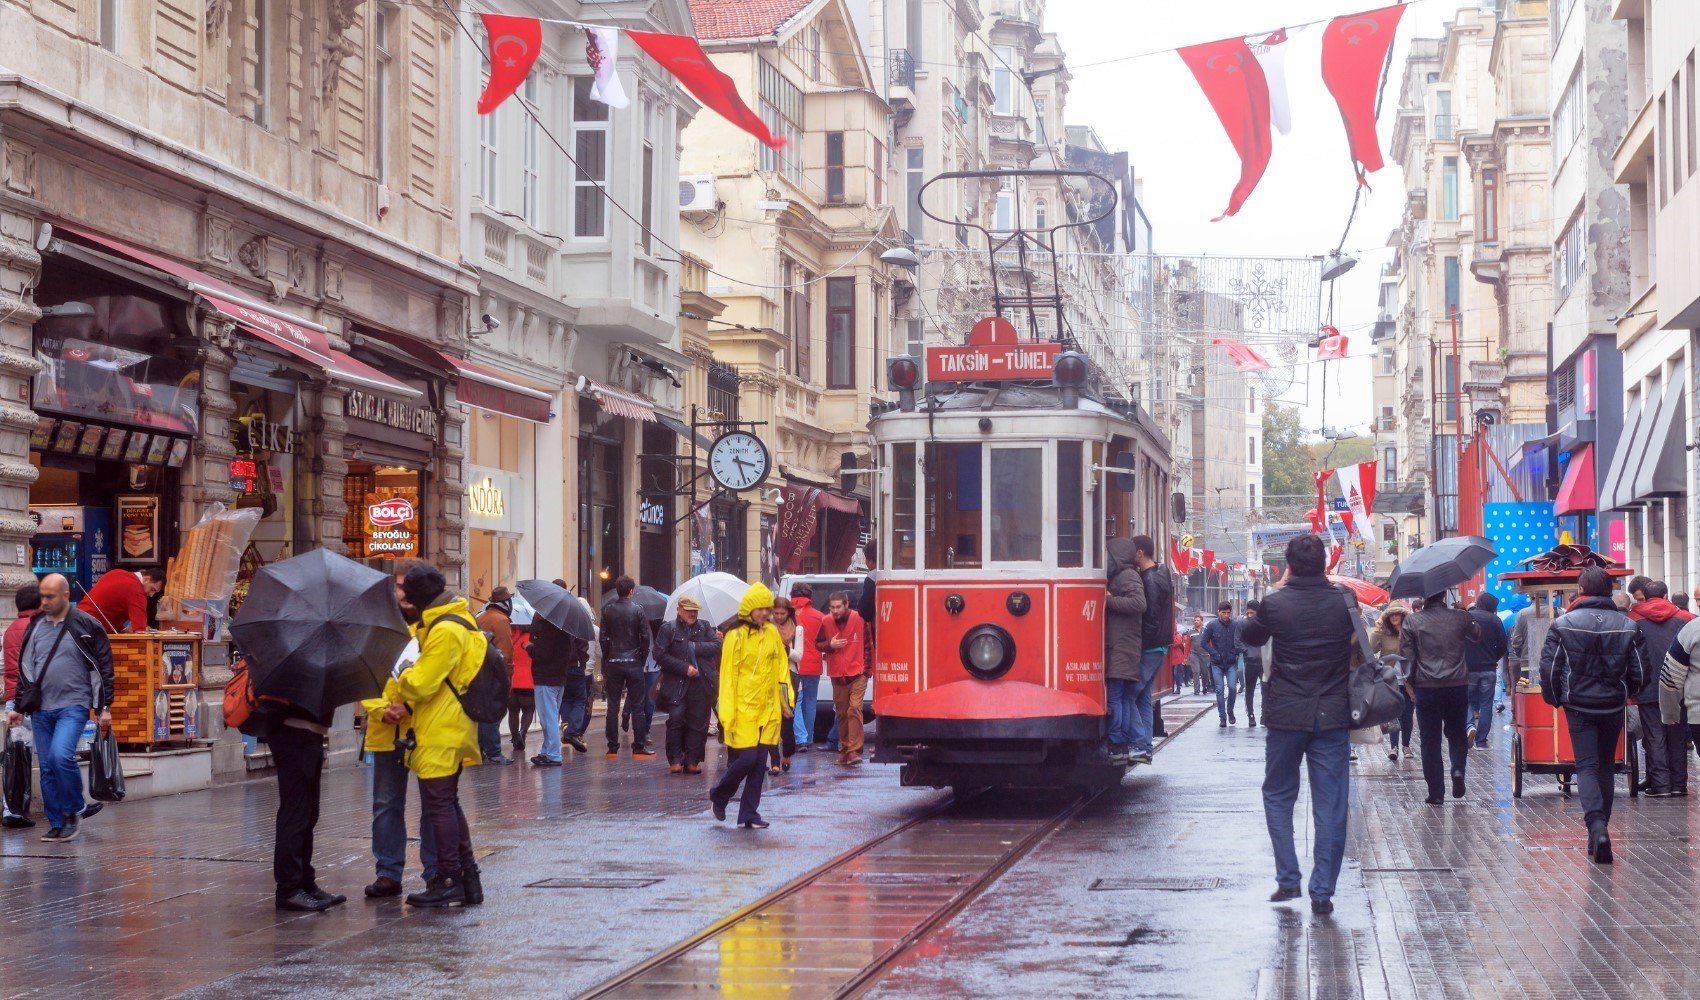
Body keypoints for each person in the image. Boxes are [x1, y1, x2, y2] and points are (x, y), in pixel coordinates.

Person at [1238, 535, 1356, 915]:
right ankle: (1322, 890)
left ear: (1288, 564)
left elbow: (1249, 635)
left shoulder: (1274, 603)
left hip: (1286, 715)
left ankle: (1289, 879)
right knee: (1331, 805)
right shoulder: (1344, 602)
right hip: (1332, 715)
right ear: (1324, 562)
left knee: (1278, 794)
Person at [386, 563, 486, 906]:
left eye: (406, 593)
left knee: (439, 805)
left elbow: (424, 682)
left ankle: (448, 879)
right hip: (450, 723)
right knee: (448, 803)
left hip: (441, 726)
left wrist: (405, 677)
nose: (402, 598)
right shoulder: (456, 620)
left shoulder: (444, 629)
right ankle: (467, 878)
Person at [1540, 568, 1648, 863]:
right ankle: (1600, 831)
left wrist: (1555, 698)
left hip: (1579, 705)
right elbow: (1641, 670)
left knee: (1586, 766)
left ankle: (1597, 827)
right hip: (1613, 704)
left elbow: (1550, 669)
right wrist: (1628, 691)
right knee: (1605, 767)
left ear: (1582, 589)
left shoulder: (1563, 624)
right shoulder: (1628, 626)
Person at [7, 574, 113, 843]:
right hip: (41, 708)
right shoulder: (35, 626)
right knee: (47, 767)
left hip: (73, 705)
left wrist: (104, 707)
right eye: (42, 595)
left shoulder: (87, 624)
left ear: (66, 595)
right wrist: (18, 707)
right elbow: (26, 670)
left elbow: (103, 668)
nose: (44, 601)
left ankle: (74, 808)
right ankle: (57, 823)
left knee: (60, 756)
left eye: (50, 596)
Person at [359, 562, 437, 899]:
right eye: (399, 586)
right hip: (385, 730)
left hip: (425, 728)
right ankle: (388, 871)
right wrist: (380, 709)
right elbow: (363, 674)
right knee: (386, 803)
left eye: (408, 586)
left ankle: (434, 871)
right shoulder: (378, 628)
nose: (403, 593)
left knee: (433, 804)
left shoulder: (434, 628)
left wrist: (410, 707)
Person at [710, 584, 791, 828]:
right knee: (746, 759)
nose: (764, 614)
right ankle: (720, 793)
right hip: (742, 708)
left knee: (759, 763)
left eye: (767, 609)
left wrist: (786, 703)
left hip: (767, 709)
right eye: (760, 609)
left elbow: (781, 669)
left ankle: (748, 813)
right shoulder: (735, 636)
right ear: (749, 608)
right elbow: (727, 677)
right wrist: (727, 713)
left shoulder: (772, 633)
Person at [1401, 590, 1482, 804]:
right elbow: (1477, 634)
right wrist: (1466, 614)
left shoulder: (1412, 621)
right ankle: (1457, 769)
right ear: (1445, 594)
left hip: (1427, 687)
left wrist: (1410, 682)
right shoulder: (1460, 617)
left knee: (1430, 740)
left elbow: (1407, 659)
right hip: (1457, 684)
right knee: (1456, 733)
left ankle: (1436, 792)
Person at [1627, 580, 1691, 796]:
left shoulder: (1633, 620)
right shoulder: (1685, 619)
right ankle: (1679, 785)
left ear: (1644, 595)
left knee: (1654, 735)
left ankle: (1661, 785)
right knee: (1677, 735)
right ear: (1665, 596)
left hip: (1647, 687)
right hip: (1678, 686)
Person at [656, 596, 723, 775]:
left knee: (698, 722)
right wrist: (684, 668)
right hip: (677, 683)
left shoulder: (705, 626)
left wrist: (694, 647)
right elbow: (660, 655)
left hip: (701, 683)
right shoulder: (668, 629)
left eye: (695, 611)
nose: (692, 614)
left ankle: (693, 760)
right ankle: (676, 759)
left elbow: (717, 645)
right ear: (679, 610)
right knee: (676, 719)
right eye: (688, 610)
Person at [1129, 536, 1173, 766]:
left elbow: (1151, 618)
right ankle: (1144, 746)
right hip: (1159, 645)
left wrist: (1139, 644)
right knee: (1143, 697)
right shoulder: (1162, 573)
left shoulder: (1150, 581)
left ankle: (1139, 745)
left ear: (1139, 552)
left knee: (1129, 695)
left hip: (1150, 646)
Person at [600, 575, 653, 759]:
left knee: (612, 705)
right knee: (638, 705)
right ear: (631, 591)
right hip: (633, 662)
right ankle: (638, 745)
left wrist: (608, 658)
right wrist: (641, 658)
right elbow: (645, 638)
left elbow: (604, 638)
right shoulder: (638, 610)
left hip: (614, 661)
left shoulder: (608, 610)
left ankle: (612, 746)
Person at [1104, 537, 1147, 763]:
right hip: (1121, 647)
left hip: (1123, 648)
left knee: (1116, 698)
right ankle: (1120, 745)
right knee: (1119, 698)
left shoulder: (1128, 576)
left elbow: (1139, 604)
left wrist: (1109, 600)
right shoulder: (1123, 575)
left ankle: (1117, 744)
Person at [2, 582, 41, 828]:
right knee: (36, 755)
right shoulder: (36, 629)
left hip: (12, 698)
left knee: (15, 757)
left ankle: (11, 809)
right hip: (30, 701)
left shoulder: (10, 629)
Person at [817, 591, 870, 766]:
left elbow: (869, 644)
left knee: (854, 709)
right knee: (841, 714)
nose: (835, 611)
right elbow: (818, 644)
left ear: (846, 604)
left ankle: (853, 750)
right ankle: (845, 750)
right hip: (837, 675)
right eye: (832, 607)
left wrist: (867, 671)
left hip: (857, 673)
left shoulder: (860, 619)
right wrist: (830, 645)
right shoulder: (825, 621)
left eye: (838, 607)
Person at [473, 588, 516, 765]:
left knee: (482, 713)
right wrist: (508, 675)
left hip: (478, 671)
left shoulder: (480, 617)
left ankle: (481, 751)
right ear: (505, 604)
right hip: (494, 673)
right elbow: (506, 652)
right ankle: (494, 752)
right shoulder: (501, 620)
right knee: (493, 713)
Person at [1464, 593, 1508, 749]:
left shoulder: (1467, 617)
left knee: (1467, 701)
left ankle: (1470, 726)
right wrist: (1493, 657)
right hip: (1488, 668)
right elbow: (1503, 644)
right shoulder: (1495, 620)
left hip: (1468, 668)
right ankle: (1481, 740)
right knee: (1486, 704)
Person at [1371, 603, 1414, 761]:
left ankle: (1406, 746)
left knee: (1408, 715)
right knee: (1394, 715)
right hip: (1389, 680)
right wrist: (1377, 629)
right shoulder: (1383, 633)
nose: (1394, 616)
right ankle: (1394, 748)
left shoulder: (1410, 632)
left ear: (1403, 615)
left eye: (1397, 614)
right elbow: (1371, 648)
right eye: (1391, 614)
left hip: (1408, 681)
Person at [767, 597, 803, 774]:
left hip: (790, 676)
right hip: (770, 675)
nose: (779, 617)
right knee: (771, 718)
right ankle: (774, 761)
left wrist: (783, 649)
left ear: (789, 612)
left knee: (787, 718)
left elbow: (799, 656)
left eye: (782, 613)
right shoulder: (767, 628)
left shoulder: (797, 630)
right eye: (776, 613)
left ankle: (787, 754)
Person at [789, 583, 826, 750]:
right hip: (813, 664)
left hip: (793, 665)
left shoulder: (786, 615)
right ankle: (808, 737)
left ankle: (797, 737)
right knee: (810, 701)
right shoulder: (819, 616)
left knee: (793, 701)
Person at [77, 567, 164, 633]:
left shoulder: (116, 572)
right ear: (146, 579)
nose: (151, 595)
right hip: (89, 628)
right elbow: (140, 631)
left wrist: (123, 629)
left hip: (76, 619)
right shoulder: (137, 591)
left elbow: (109, 604)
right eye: (152, 589)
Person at [1201, 602, 1241, 727]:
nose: (1226, 615)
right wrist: (1214, 653)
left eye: (1228, 613)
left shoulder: (1235, 625)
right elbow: (1203, 642)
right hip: (1216, 663)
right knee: (1219, 690)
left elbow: (1240, 641)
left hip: (1230, 663)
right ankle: (1222, 717)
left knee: (1233, 688)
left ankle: (1230, 710)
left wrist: (1234, 652)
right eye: (1223, 612)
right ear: (1218, 611)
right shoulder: (1212, 625)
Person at [507, 618, 536, 762]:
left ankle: (514, 738)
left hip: (512, 681)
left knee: (513, 711)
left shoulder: (510, 638)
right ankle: (522, 733)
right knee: (529, 711)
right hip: (528, 680)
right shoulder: (531, 638)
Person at [1240, 601, 1264, 727]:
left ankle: (1264, 714)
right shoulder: (1243, 624)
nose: (1249, 615)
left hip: (1263, 662)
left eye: (1252, 613)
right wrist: (1246, 650)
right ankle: (1251, 715)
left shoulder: (1265, 624)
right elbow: (1238, 641)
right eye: (1248, 612)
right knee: (1249, 690)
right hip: (1250, 660)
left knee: (1266, 690)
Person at [1186, 613, 1210, 696]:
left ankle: (1205, 686)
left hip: (1205, 654)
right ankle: (1196, 689)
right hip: (1194, 654)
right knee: (1196, 671)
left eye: (1198, 620)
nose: (1196, 622)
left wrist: (1211, 652)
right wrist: (1186, 657)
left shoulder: (1206, 631)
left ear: (1202, 622)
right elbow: (1188, 645)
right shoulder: (1190, 632)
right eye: (1195, 620)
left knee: (1205, 672)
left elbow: (1210, 642)